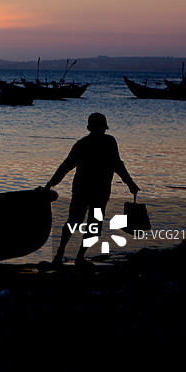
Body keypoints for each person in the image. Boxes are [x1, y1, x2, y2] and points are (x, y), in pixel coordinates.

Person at [45, 113, 139, 267]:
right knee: (90, 224)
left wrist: (50, 184)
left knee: (75, 221)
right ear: (104, 128)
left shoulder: (82, 144)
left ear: (89, 127)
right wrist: (130, 183)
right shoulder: (108, 142)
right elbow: (117, 165)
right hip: (98, 191)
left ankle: (61, 255)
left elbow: (66, 166)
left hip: (84, 189)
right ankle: (77, 257)